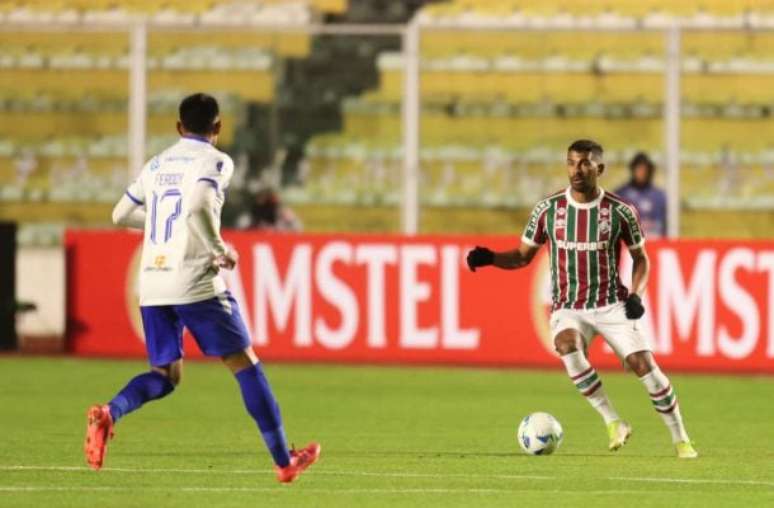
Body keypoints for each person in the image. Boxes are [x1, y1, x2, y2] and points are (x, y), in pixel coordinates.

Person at [84, 93, 320, 482]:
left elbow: (120, 214)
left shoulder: (157, 163)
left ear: (179, 127)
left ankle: (111, 412)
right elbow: (196, 206)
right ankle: (284, 461)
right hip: (194, 279)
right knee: (245, 364)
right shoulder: (215, 160)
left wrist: (167, 225)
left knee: (165, 375)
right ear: (218, 127)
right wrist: (218, 248)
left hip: (153, 281)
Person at [466, 139, 697, 459]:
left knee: (644, 366)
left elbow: (641, 258)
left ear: (599, 168)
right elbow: (521, 257)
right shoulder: (548, 210)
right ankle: (613, 422)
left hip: (611, 303)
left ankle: (681, 439)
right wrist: (491, 258)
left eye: (585, 163)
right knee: (565, 345)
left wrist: (636, 294)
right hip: (569, 306)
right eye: (572, 163)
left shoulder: (620, 211)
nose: (577, 170)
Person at [614, 152, 667, 238]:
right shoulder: (622, 194)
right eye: (639, 168)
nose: (641, 172)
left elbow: (664, 224)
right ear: (633, 170)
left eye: (644, 169)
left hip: (654, 240)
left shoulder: (659, 195)